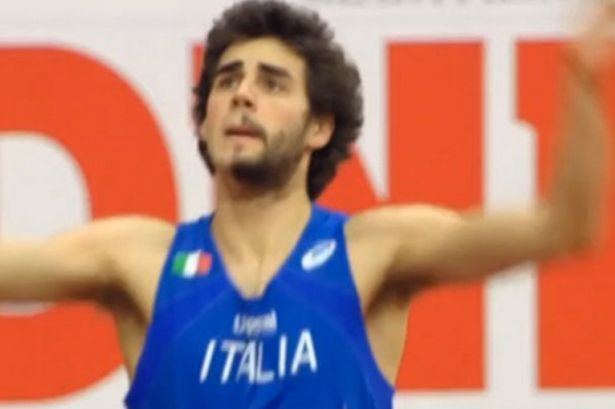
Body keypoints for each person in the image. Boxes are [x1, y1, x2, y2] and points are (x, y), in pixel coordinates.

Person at [1, 1, 613, 408]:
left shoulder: (376, 253)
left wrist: (582, 78)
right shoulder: (138, 260)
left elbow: (562, 227)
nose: (242, 94)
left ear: (319, 126)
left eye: (272, 83)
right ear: (205, 118)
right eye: (227, 80)